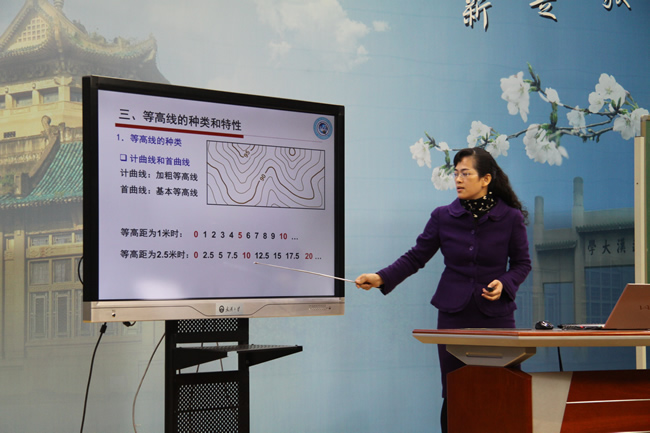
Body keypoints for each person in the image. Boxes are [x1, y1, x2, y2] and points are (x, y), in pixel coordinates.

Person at [355, 147, 531, 433]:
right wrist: (381, 278)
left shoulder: (510, 218)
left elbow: (522, 264)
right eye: (456, 173)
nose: (458, 179)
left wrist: (506, 283)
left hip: (496, 318)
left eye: (466, 173)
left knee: (502, 390)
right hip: (453, 317)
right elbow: (416, 257)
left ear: (485, 179)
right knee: (456, 393)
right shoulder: (442, 216)